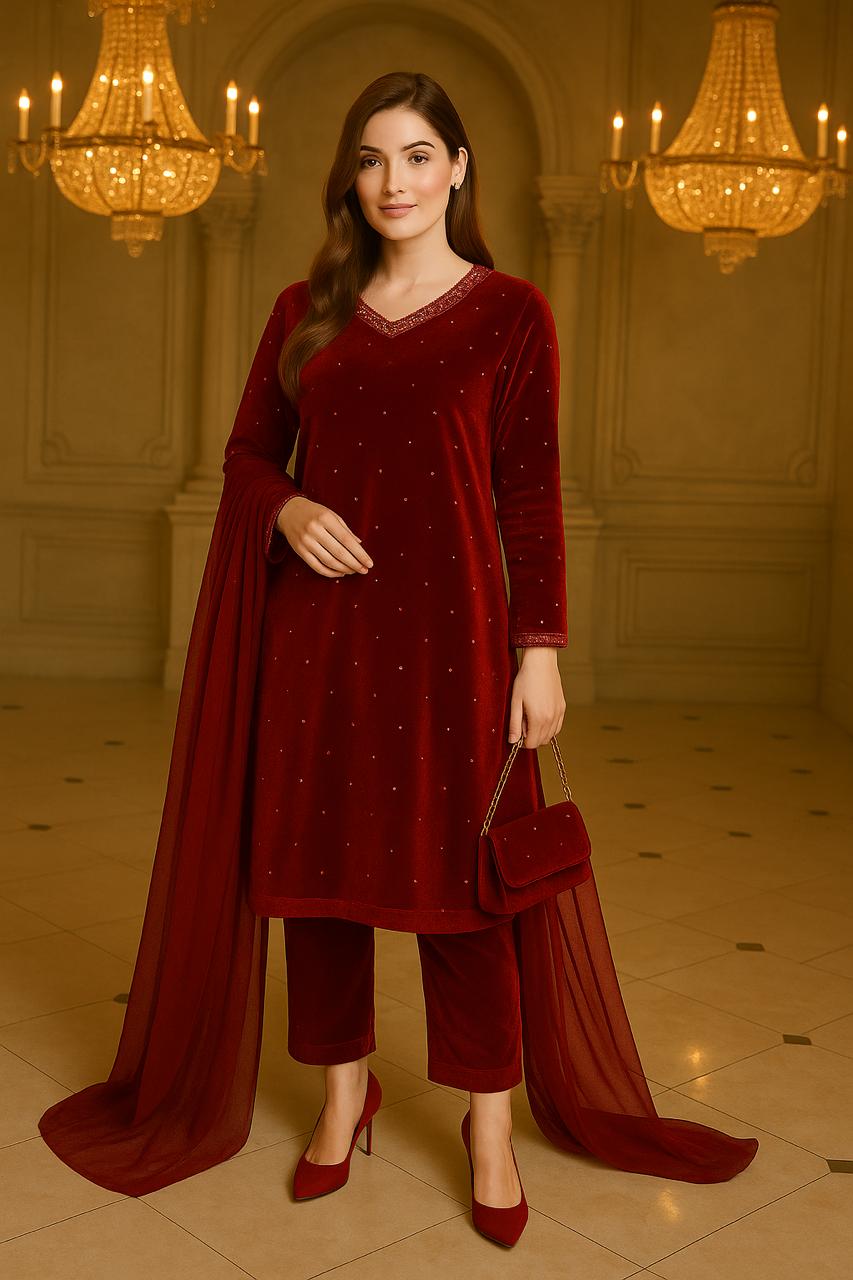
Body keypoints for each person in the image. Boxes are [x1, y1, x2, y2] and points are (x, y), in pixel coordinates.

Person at [39, 71, 759, 1246]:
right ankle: (340, 1097)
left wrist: (540, 653)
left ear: (459, 168)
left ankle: (485, 1121)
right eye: (372, 160)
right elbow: (244, 457)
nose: (394, 182)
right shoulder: (304, 311)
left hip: (459, 644)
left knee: (462, 897)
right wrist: (283, 512)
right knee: (318, 883)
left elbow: (528, 496)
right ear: (349, 177)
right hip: (317, 642)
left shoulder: (512, 313)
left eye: (418, 156)